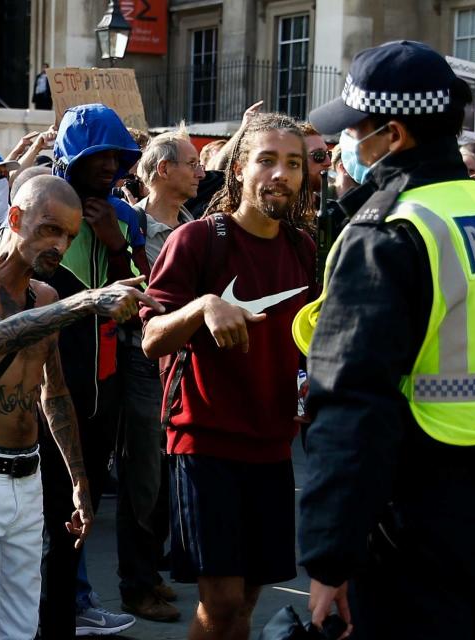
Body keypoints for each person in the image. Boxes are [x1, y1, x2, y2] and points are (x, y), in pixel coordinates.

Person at [293, 41, 475, 639]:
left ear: (392, 135)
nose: (348, 144)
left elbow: (350, 403)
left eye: (356, 129)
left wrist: (329, 555)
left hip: (417, 514)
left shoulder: (392, 231)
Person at [0, 174, 162, 640]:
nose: (58, 244)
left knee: (21, 627)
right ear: (15, 219)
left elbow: (52, 393)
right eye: (49, 229)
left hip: (28, 477)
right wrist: (87, 301)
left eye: (69, 236)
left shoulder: (47, 296)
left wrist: (79, 480)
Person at [141, 112, 315, 640]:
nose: (279, 174)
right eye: (266, 160)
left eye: (293, 163)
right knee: (220, 603)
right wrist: (204, 307)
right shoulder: (197, 240)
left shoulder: (304, 248)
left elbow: (307, 340)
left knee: (246, 605)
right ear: (238, 169)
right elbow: (151, 339)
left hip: (273, 444)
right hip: (206, 442)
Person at [42, 103, 145, 638]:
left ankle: (71, 603)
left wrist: (116, 244)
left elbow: (149, 293)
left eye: (118, 156)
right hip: (48, 378)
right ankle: (53, 607)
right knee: (51, 503)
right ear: (72, 158)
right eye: (99, 155)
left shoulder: (124, 216)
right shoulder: (42, 205)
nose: (110, 165)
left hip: (106, 378)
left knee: (84, 500)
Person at [116, 126, 206, 624]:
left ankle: (151, 574)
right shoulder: (129, 226)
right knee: (143, 476)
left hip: (182, 364)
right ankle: (137, 584)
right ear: (163, 170)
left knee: (168, 474)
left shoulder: (191, 222)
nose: (200, 170)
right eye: (191, 162)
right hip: (143, 361)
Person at [301, 122, 332, 205]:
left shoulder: (334, 211)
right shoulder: (275, 215)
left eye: (328, 154)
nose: (329, 162)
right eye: (319, 155)